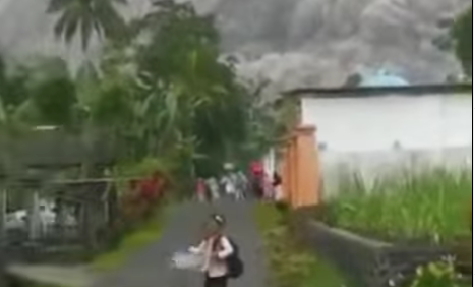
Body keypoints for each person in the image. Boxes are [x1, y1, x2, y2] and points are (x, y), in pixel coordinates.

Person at [188, 214, 234, 287]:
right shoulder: (207, 239)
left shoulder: (221, 239)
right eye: (211, 224)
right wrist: (192, 250)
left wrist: (219, 254)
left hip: (219, 275)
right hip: (209, 274)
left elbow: (230, 249)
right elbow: (200, 250)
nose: (211, 227)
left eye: (214, 225)